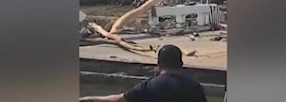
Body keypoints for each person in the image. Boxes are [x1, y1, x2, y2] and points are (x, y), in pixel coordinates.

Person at [79, 44, 207, 102]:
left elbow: (120, 99)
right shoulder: (194, 88)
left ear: (159, 64)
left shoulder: (148, 86)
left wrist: (89, 99)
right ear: (181, 64)